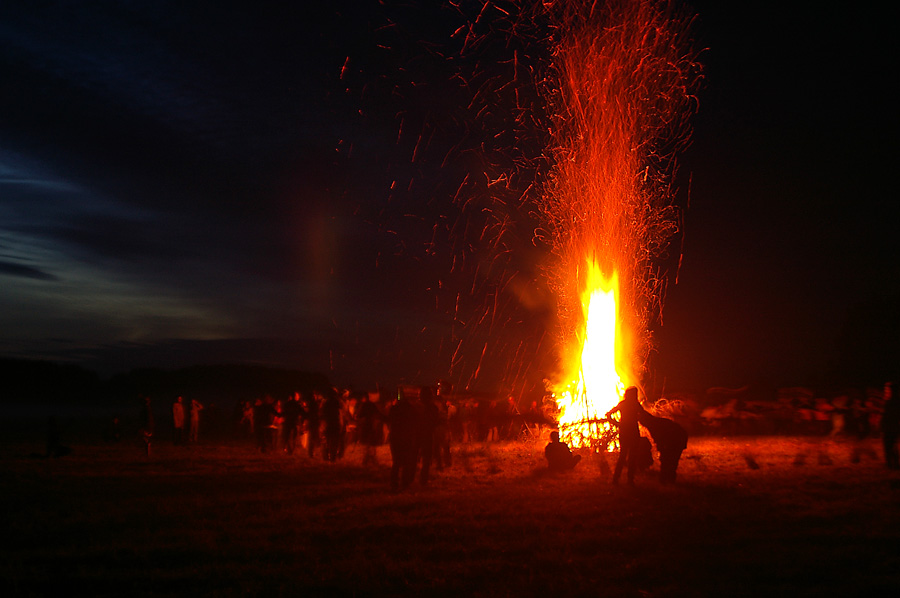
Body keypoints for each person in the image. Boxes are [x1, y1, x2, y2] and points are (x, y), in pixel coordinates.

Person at [606, 386, 645, 485]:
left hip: (624, 432)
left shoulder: (623, 404)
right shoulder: (635, 404)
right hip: (632, 432)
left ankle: (616, 479)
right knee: (632, 457)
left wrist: (617, 424)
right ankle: (629, 480)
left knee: (623, 456)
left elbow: (609, 414)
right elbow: (643, 415)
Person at [639, 411, 689, 483]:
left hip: (678, 438)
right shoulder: (655, 422)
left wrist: (661, 448)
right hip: (678, 437)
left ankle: (666, 479)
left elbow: (659, 438)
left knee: (669, 459)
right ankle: (667, 478)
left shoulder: (653, 425)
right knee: (669, 459)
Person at [389, 389, 420, 492]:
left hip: (395, 437)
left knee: (396, 462)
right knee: (407, 461)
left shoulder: (394, 409)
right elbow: (416, 424)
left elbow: (389, 421)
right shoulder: (412, 410)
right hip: (407, 437)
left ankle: (394, 483)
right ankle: (404, 483)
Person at [882, 382, 900, 470]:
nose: (886, 391)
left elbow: (889, 415)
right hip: (890, 426)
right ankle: (892, 463)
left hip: (891, 426)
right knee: (890, 445)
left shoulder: (893, 402)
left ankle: (892, 464)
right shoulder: (890, 401)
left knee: (890, 445)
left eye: (888, 389)